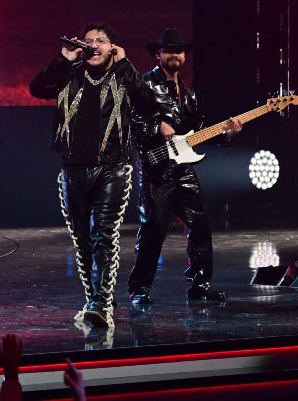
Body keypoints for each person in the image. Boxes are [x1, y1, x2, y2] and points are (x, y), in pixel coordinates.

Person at [30, 23, 155, 328]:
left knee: (104, 235)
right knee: (83, 242)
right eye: (89, 41)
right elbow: (37, 89)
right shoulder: (69, 74)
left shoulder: (124, 77)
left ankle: (99, 303)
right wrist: (63, 59)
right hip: (73, 169)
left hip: (113, 168)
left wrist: (125, 63)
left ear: (113, 47)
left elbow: (149, 105)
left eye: (101, 40)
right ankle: (97, 300)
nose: (94, 45)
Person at [127, 27, 241, 305]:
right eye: (169, 51)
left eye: (179, 51)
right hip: (156, 170)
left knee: (200, 223)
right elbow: (130, 117)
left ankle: (199, 285)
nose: (175, 55)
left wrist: (227, 133)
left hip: (183, 169)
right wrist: (157, 125)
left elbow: (198, 131)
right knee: (154, 228)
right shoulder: (144, 86)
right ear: (158, 55)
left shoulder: (187, 94)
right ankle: (139, 289)